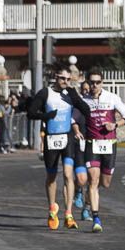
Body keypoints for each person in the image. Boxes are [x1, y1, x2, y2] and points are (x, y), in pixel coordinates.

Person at [27, 65, 91, 230]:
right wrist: (46, 116)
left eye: (68, 79)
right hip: (51, 139)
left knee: (69, 175)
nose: (65, 82)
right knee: (52, 177)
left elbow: (86, 110)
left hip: (68, 138)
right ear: (56, 77)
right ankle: (52, 209)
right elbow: (31, 113)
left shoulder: (71, 93)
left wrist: (76, 99)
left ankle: (68, 214)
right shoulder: (45, 93)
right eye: (63, 78)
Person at [81, 69, 125, 233]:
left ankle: (88, 201)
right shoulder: (84, 101)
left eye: (97, 82)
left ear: (102, 83)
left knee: (105, 183)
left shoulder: (112, 98)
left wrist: (115, 125)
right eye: (91, 82)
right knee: (93, 180)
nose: (94, 85)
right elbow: (73, 118)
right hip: (92, 144)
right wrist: (76, 130)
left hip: (109, 144)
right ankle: (96, 218)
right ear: (88, 83)